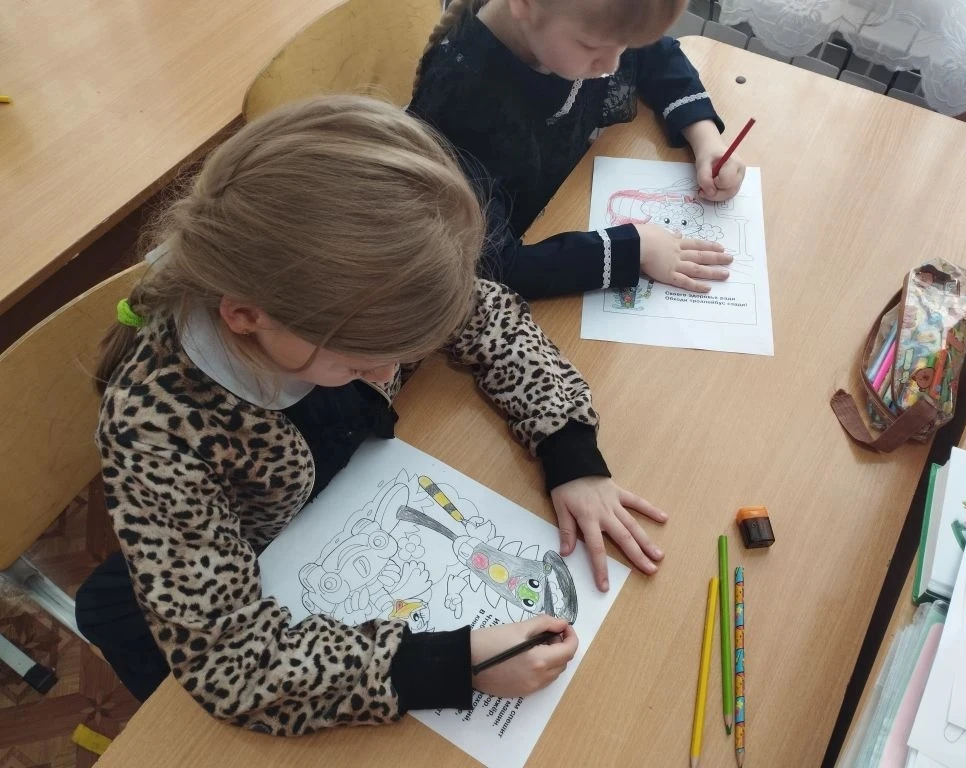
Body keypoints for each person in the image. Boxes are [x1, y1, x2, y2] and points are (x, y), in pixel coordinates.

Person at [75, 95, 666, 732]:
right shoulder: (155, 427)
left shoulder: (354, 287)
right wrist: (448, 665)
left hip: (349, 497)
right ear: (245, 317)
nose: (387, 374)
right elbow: (233, 662)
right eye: (362, 361)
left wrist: (569, 450)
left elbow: (484, 315)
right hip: (238, 562)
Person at [410, 0, 747, 300]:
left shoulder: (579, 24)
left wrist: (705, 138)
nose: (613, 64)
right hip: (524, 247)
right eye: (592, 46)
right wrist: (634, 249)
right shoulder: (460, 103)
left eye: (625, 44)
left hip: (568, 198)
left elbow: (656, 55)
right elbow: (494, 267)